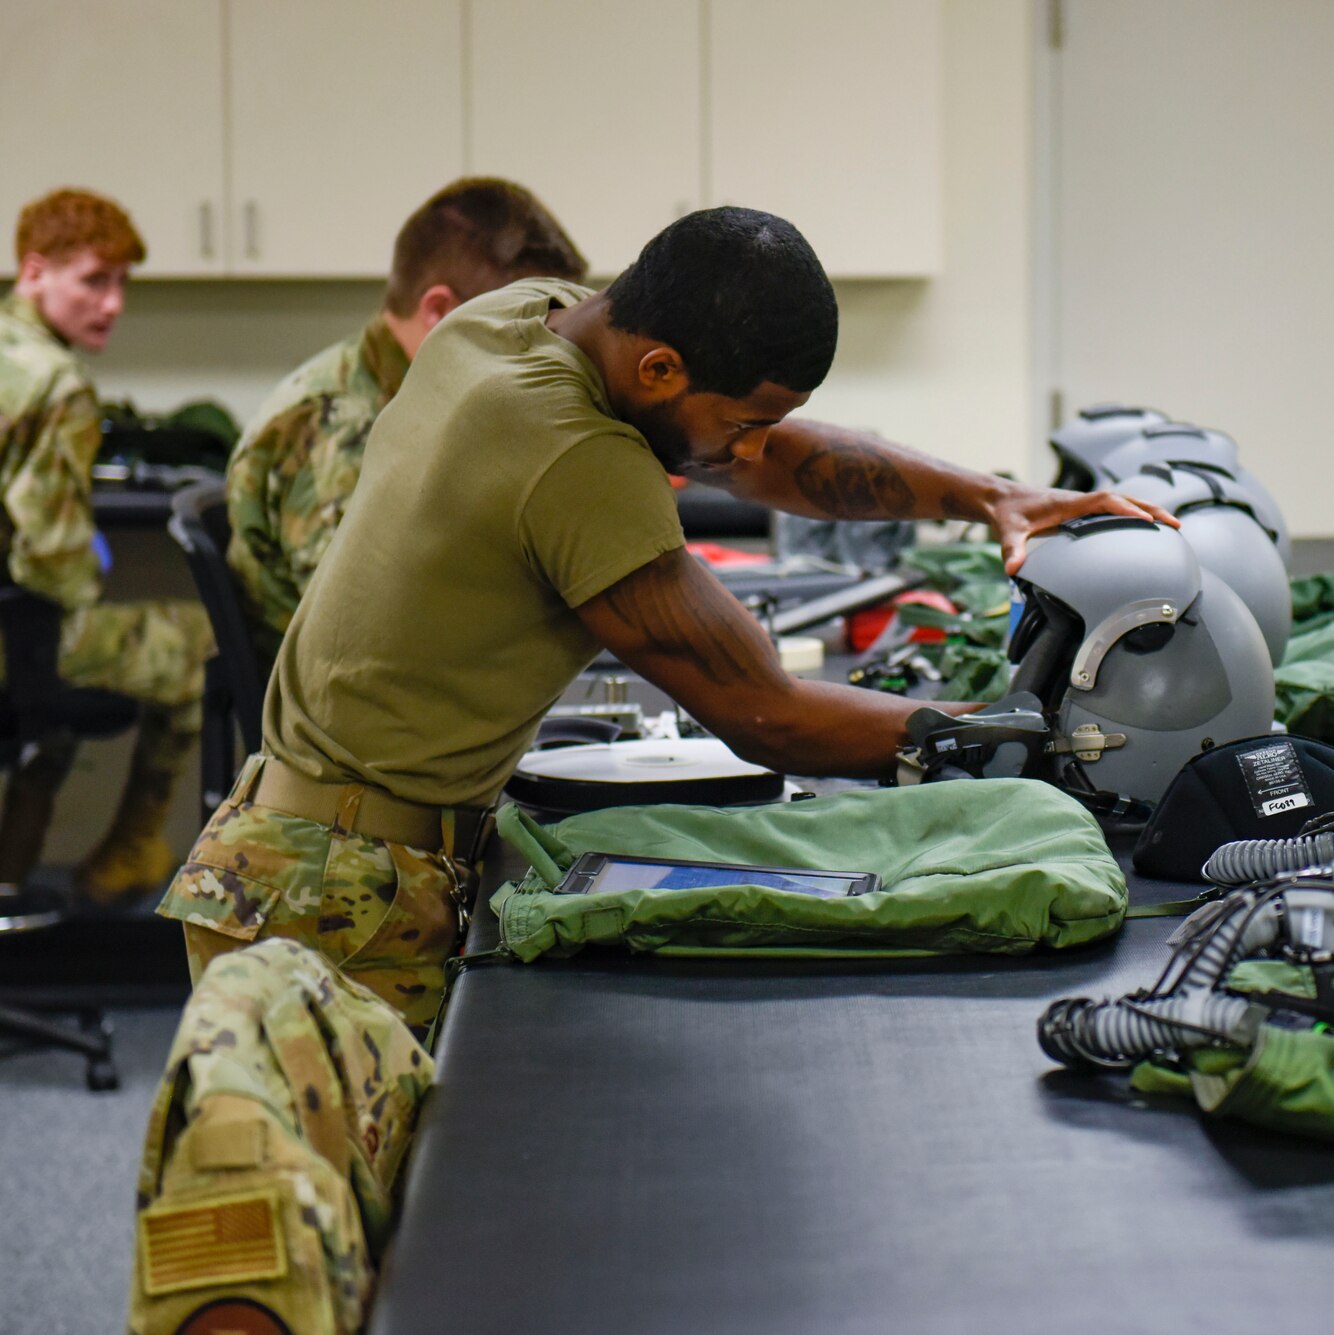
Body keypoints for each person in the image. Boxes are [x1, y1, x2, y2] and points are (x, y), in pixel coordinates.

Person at [159, 206, 1171, 1030]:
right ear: (658, 374)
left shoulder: (520, 317)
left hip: (308, 848)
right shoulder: (569, 450)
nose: (748, 449)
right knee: (357, 1254)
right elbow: (763, 712)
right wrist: (993, 737)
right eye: (739, 420)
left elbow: (768, 455)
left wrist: (987, 496)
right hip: (339, 893)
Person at [226, 177, 587, 656]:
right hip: (347, 709)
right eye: (525, 328)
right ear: (439, 311)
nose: (543, 353)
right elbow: (358, 632)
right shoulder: (341, 426)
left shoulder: (412, 398)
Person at [0, 189, 215, 904]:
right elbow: (51, 559)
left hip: (15, 634)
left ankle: (12, 874)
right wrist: (87, 562)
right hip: (18, 639)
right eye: (95, 280)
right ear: (34, 272)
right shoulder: (56, 385)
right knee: (197, 640)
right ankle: (125, 855)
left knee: (48, 701)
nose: (114, 302)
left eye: (122, 282)